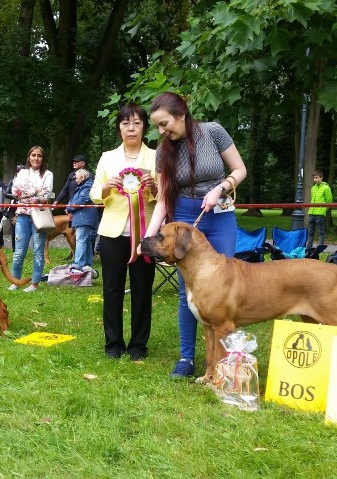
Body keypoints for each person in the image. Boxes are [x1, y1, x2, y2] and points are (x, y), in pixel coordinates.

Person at [143, 92, 247, 377]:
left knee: (222, 286)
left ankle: (221, 361)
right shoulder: (165, 150)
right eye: (158, 127)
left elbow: (239, 169)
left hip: (220, 213)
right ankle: (187, 358)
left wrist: (220, 188)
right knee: (187, 292)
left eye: (165, 124)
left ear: (181, 114)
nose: (162, 131)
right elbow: (163, 199)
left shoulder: (213, 132)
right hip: (185, 216)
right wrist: (147, 240)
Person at [91, 103, 158, 361]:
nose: (131, 128)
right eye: (125, 123)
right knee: (112, 288)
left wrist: (153, 187)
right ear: (119, 128)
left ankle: (139, 345)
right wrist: (107, 187)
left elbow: (164, 197)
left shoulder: (156, 157)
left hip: (146, 233)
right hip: (112, 233)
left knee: (142, 289)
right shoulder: (108, 158)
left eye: (137, 123)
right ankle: (114, 344)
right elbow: (95, 194)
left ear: (144, 127)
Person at [9, 146, 53, 292]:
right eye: (33, 155)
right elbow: (15, 191)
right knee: (19, 252)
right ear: (28, 157)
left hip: (40, 216)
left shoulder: (48, 174)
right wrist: (35, 191)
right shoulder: (22, 172)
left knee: (38, 251)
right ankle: (15, 281)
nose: (36, 158)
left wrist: (26, 194)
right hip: (22, 215)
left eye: (39, 155)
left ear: (43, 158)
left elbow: (46, 195)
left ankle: (34, 283)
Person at [66, 168, 97, 273]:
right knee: (86, 240)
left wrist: (69, 208)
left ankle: (78, 264)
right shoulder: (82, 187)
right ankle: (87, 263)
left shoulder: (87, 186)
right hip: (82, 217)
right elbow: (73, 200)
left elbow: (82, 200)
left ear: (82, 177)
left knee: (81, 240)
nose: (75, 178)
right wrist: (69, 206)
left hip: (84, 217)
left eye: (76, 176)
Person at [306, 171, 332, 248]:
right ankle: (308, 247)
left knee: (321, 231)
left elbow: (329, 201)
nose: (315, 179)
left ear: (321, 178)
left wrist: (323, 209)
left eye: (316, 177)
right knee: (310, 231)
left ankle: (320, 247)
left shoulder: (326, 188)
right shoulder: (313, 188)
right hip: (312, 212)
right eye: (314, 178)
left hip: (320, 213)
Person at [5, 164, 24, 251]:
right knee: (13, 228)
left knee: (24, 227)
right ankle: (14, 248)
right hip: (13, 207)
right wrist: (15, 196)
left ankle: (23, 247)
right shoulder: (12, 181)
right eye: (19, 171)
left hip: (24, 207)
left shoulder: (28, 182)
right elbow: (6, 193)